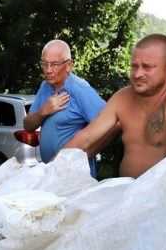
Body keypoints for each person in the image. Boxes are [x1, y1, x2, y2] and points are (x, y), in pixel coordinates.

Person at [63, 34, 166, 178]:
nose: (138, 74)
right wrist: (49, 171)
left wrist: (153, 195)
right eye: (134, 66)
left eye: (147, 67)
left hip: (164, 193)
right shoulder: (123, 97)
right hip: (125, 192)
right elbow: (86, 137)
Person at [23, 39, 106, 176]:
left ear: (69, 65)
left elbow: (113, 125)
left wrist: (86, 153)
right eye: (44, 64)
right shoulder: (45, 87)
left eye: (54, 64)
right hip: (51, 174)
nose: (48, 70)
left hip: (74, 176)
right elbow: (27, 125)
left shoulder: (80, 89)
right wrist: (42, 112)